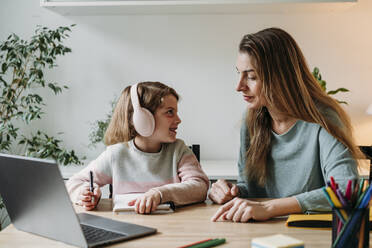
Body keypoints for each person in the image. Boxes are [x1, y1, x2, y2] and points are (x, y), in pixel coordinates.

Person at [208, 27, 361, 223]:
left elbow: (347, 191)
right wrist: (230, 193)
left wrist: (270, 208)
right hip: (260, 232)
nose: (239, 86)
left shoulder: (323, 119)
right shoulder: (252, 120)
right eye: (239, 73)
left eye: (252, 76)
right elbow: (252, 189)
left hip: (311, 234)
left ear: (280, 76)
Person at [67, 82, 209, 214]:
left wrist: (160, 194)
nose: (178, 120)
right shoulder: (116, 154)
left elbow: (200, 187)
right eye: (170, 112)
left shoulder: (178, 150)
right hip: (128, 226)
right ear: (143, 119)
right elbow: (73, 183)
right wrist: (83, 193)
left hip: (172, 228)